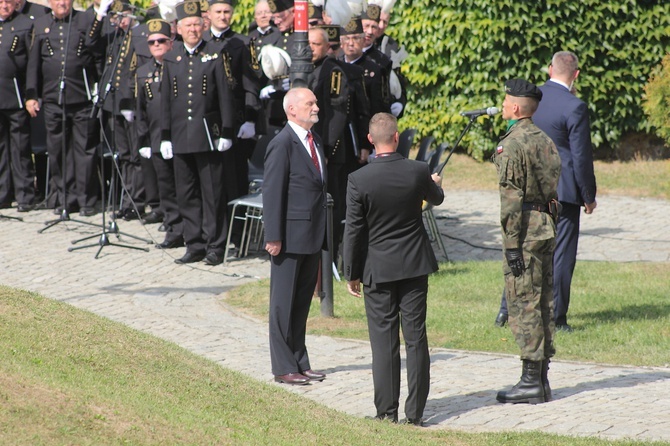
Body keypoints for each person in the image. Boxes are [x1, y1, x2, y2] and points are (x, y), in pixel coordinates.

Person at [343, 112, 444, 425]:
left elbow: (354, 231)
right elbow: (436, 199)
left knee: (383, 342)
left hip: (378, 269)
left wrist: (352, 272)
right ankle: (415, 414)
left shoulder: (359, 179)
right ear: (397, 137)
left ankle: (386, 412)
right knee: (416, 340)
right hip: (414, 265)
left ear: (371, 140)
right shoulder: (418, 170)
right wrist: (434, 183)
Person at [494, 52, 597, 333]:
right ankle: (557, 316)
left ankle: (506, 309)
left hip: (528, 189)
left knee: (522, 249)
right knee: (561, 254)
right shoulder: (575, 106)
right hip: (562, 192)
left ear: (550, 69)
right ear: (576, 75)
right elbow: (580, 156)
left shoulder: (532, 98)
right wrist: (588, 195)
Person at [493, 79, 561, 405]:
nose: (504, 105)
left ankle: (530, 381)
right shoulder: (544, 140)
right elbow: (552, 191)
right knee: (544, 301)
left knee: (524, 305)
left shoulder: (513, 144)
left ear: (516, 108)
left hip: (524, 232)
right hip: (545, 227)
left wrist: (510, 244)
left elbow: (511, 199)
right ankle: (542, 378)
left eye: (506, 101)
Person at [160, 0, 235, 265]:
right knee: (187, 193)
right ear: (178, 28)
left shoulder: (214, 54)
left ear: (203, 26)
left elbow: (225, 97)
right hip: (181, 135)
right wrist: (164, 136)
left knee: (212, 193)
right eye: (187, 25)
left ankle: (215, 245)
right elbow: (166, 100)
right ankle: (194, 244)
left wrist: (227, 131)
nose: (192, 29)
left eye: (196, 24)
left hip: (208, 136)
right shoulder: (172, 57)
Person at [263, 87, 328, 386]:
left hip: (311, 234)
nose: (316, 107)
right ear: (292, 110)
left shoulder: (314, 141)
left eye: (315, 102)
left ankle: (300, 361)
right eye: (310, 103)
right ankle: (283, 366)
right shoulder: (282, 143)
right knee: (282, 305)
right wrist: (273, 236)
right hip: (288, 236)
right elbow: (273, 192)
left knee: (301, 303)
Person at [25, 0, 110, 216]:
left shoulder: (85, 20)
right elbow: (34, 62)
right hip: (54, 98)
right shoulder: (42, 24)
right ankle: (65, 197)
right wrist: (32, 95)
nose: (61, 2)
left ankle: (86, 200)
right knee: (58, 150)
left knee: (85, 151)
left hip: (81, 96)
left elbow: (96, 53)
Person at [308, 26, 370, 264]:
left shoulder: (333, 72)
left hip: (330, 152)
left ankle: (330, 258)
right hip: (314, 148)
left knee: (332, 205)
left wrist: (324, 150)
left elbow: (336, 116)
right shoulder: (308, 69)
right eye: (309, 44)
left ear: (327, 47)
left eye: (316, 44)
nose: (311, 48)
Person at [136, 19, 184, 249]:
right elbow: (141, 109)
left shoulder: (181, 64)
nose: (156, 45)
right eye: (152, 42)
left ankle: (192, 230)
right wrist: (143, 139)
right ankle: (174, 230)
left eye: (161, 40)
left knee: (185, 187)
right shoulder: (143, 72)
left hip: (181, 137)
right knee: (166, 189)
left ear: (171, 42)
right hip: (156, 138)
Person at [0, 0, 37, 212]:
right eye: (1, 2)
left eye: (9, 2)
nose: (4, 6)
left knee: (20, 148)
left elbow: (32, 65)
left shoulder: (24, 24)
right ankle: (3, 194)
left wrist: (31, 94)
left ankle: (25, 195)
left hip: (15, 96)